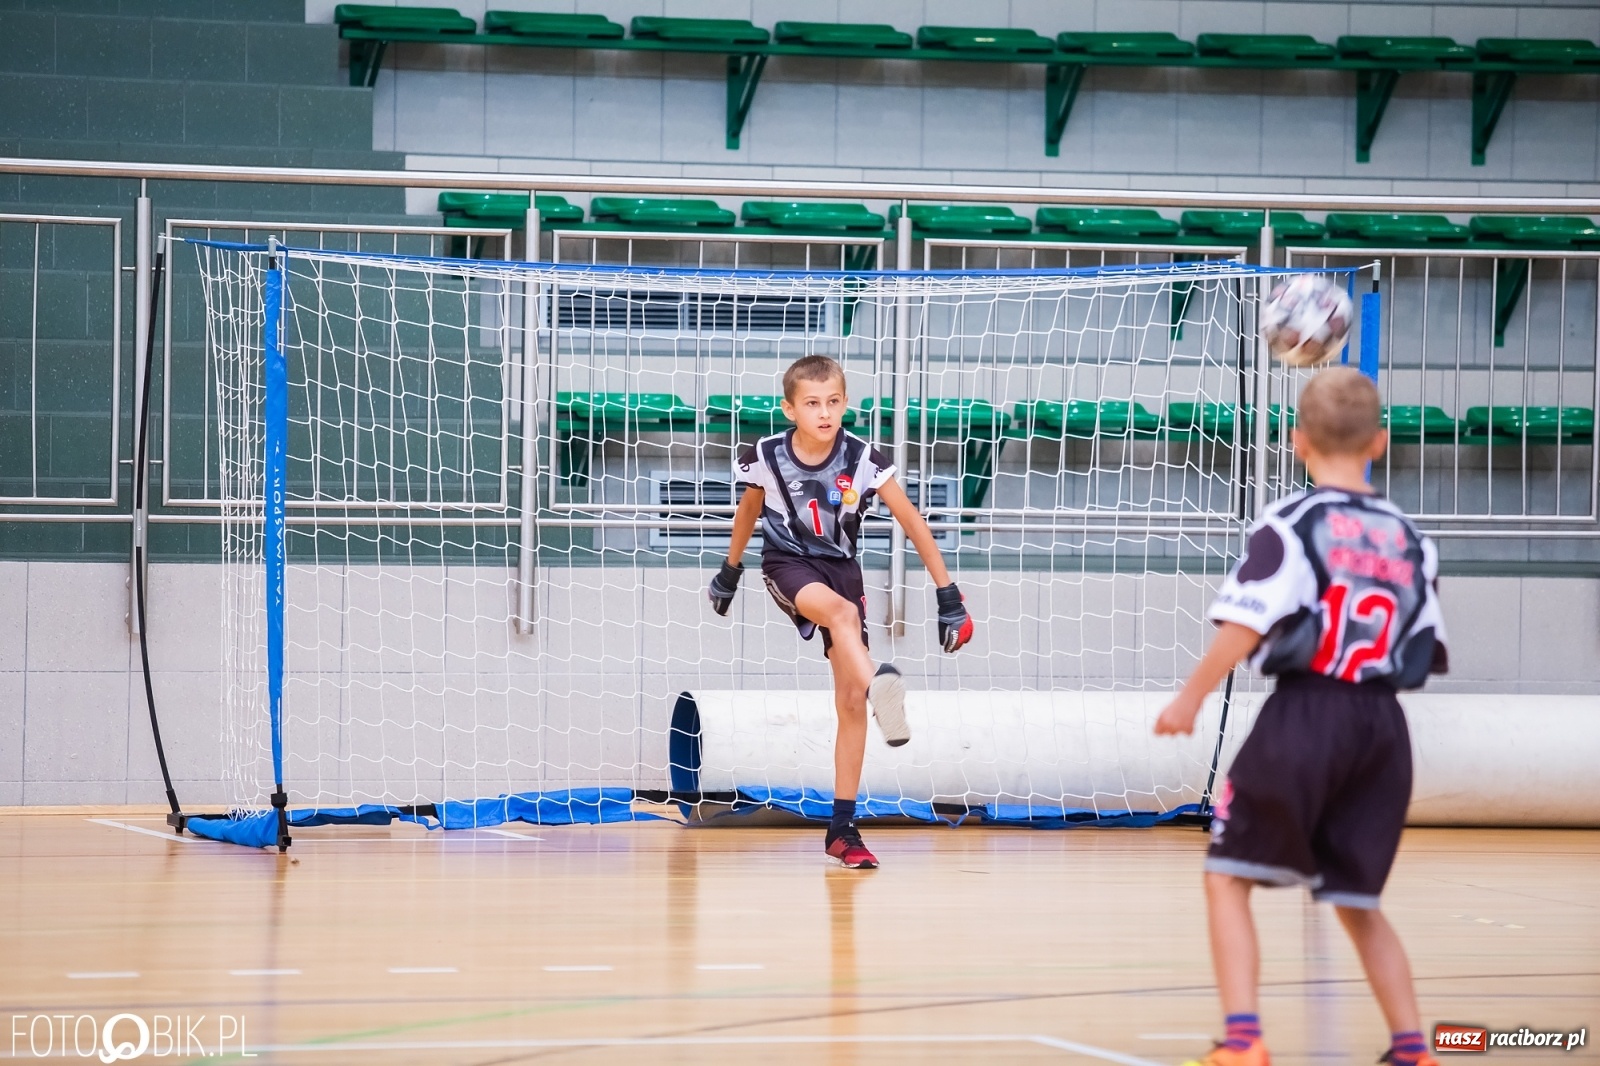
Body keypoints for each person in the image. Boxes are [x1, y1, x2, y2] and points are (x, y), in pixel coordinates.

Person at [1154, 367, 1449, 1066]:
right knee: (1357, 898)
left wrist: (1191, 696)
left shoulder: (1292, 523)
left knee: (1227, 874)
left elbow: (1243, 625)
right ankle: (1413, 1047)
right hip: (1384, 729)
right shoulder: (1412, 537)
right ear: (1380, 442)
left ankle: (1244, 1040)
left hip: (1309, 715)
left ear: (1298, 442)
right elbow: (1426, 647)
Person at [707, 355, 974, 869]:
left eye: (833, 402)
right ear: (790, 409)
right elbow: (747, 511)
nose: (824, 413)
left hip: (843, 569)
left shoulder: (863, 458)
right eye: (812, 404)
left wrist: (948, 593)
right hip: (788, 564)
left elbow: (912, 520)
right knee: (842, 617)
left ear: (845, 403)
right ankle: (881, 683)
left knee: (850, 702)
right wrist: (730, 569)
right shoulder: (766, 455)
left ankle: (842, 828)